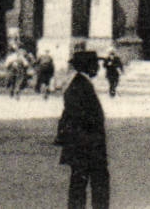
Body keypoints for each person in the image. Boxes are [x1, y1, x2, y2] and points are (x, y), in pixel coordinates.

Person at [56, 49, 109, 209]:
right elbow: (79, 116)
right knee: (95, 183)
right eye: (96, 65)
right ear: (89, 66)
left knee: (80, 183)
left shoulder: (79, 83)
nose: (99, 68)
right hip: (87, 146)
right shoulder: (80, 85)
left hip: (83, 145)